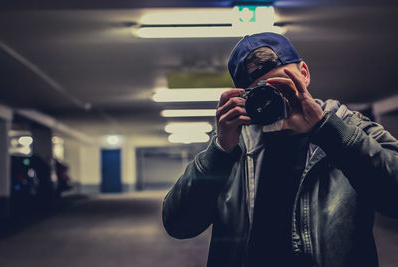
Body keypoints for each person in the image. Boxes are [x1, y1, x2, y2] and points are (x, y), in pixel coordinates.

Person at [162, 32, 398, 267]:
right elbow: (179, 225)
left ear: (304, 73)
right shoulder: (233, 146)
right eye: (261, 92)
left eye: (281, 85)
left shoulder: (351, 128)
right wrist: (220, 151)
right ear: (245, 98)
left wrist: (328, 131)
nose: (278, 99)